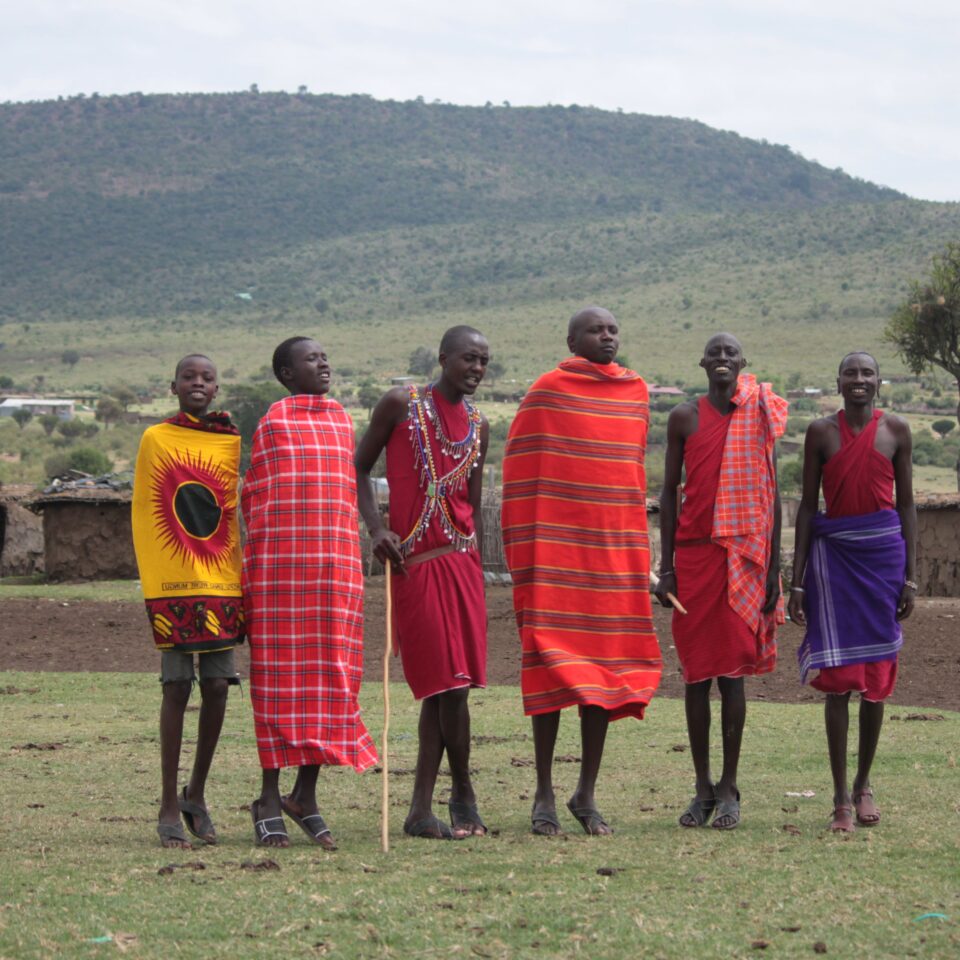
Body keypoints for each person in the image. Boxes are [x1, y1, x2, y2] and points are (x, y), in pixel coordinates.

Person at [501, 306, 662, 836]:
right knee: (549, 668)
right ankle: (544, 791)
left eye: (614, 328)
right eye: (597, 330)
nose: (608, 336)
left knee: (604, 676)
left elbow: (628, 479)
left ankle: (585, 793)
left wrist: (639, 556)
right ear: (572, 340)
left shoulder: (636, 392)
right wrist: (529, 546)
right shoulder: (547, 391)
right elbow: (523, 470)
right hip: (557, 559)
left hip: (612, 560)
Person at [355, 326, 490, 840]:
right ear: (443, 358)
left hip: (462, 564)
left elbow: (473, 508)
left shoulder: (478, 424)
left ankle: (425, 808)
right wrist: (377, 527)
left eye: (483, 361)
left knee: (453, 689)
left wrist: (475, 562)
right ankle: (460, 796)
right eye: (467, 359)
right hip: (416, 564)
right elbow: (360, 467)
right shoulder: (401, 404)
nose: (476, 369)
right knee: (443, 685)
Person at [242, 336, 377, 849]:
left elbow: (345, 491)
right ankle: (269, 798)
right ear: (285, 373)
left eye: (325, 357)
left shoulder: (342, 419)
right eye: (311, 359)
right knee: (278, 685)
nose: (323, 363)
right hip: (281, 578)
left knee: (332, 681)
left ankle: (306, 795)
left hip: (333, 575)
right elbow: (258, 494)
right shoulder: (275, 422)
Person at [656, 333, 788, 830]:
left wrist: (774, 566)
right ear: (703, 364)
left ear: (743, 364)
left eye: (731, 354)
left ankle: (730, 787)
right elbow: (669, 493)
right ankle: (702, 787)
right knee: (695, 675)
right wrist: (665, 565)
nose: (722, 361)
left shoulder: (758, 414)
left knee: (732, 674)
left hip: (743, 559)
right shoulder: (684, 418)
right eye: (714, 354)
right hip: (692, 560)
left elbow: (772, 495)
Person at [788, 351, 916, 833]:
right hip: (835, 563)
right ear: (837, 382)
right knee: (840, 683)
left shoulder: (897, 430)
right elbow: (806, 507)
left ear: (879, 382)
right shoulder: (821, 433)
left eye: (867, 373)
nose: (859, 379)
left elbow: (906, 506)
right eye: (850, 373)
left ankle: (865, 785)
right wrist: (796, 581)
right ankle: (840, 795)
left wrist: (910, 576)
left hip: (883, 563)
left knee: (876, 683)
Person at [131, 354, 245, 849]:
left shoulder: (230, 442)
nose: (198, 383)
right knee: (176, 688)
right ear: (172, 386)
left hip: (221, 578)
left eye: (207, 378)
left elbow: (237, 506)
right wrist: (159, 577)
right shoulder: (156, 439)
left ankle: (196, 794)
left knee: (218, 685)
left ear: (216, 389)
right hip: (176, 580)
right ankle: (167, 804)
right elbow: (145, 510)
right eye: (189, 377)